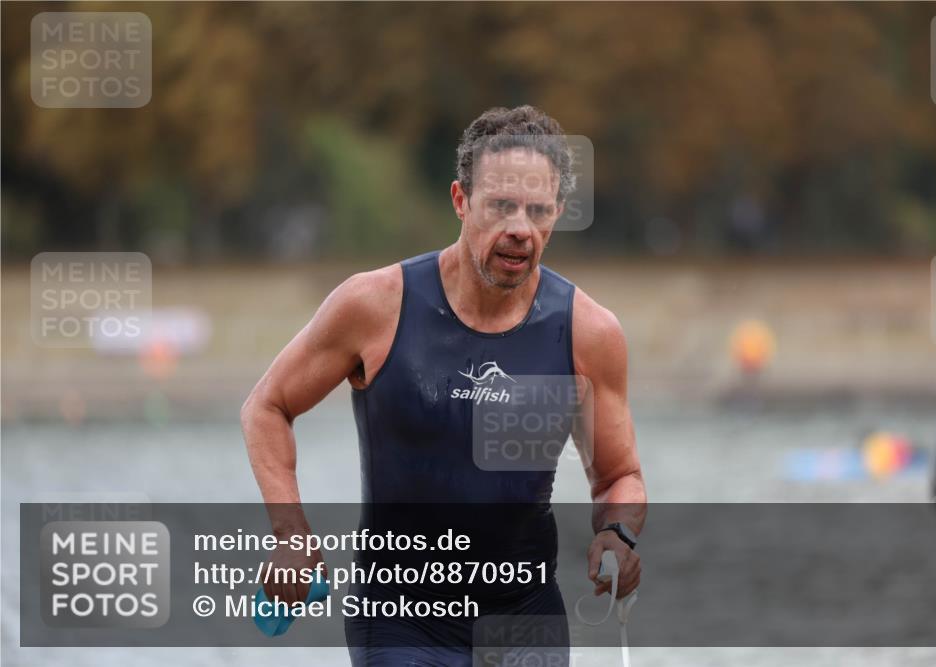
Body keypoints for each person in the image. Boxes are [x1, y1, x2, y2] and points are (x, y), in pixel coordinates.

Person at [241, 105, 646, 664]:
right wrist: (291, 535)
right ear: (460, 200)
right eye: (501, 206)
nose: (520, 229)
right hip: (400, 621)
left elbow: (620, 476)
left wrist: (617, 535)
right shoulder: (374, 306)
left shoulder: (588, 332)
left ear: (558, 212)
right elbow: (267, 405)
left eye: (538, 211)